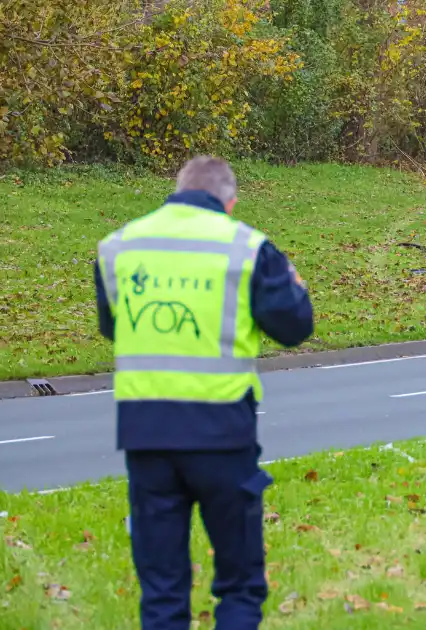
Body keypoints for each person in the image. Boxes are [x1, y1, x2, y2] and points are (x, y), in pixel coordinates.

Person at [92, 156, 314, 629]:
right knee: (238, 585)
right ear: (229, 202)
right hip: (222, 435)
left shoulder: (118, 247)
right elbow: (295, 328)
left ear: (177, 190)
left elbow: (115, 327)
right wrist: (296, 286)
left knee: (162, 591)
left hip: (145, 436)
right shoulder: (247, 248)